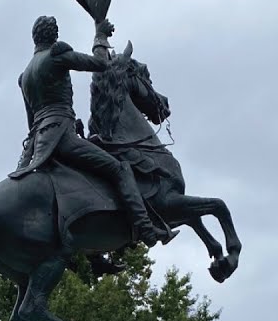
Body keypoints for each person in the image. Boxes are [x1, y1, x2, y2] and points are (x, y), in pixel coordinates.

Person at [11, 15, 175, 248]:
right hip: (63, 137)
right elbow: (100, 64)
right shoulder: (57, 55)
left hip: (39, 145)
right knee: (119, 169)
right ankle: (146, 230)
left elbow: (33, 122)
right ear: (54, 35)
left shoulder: (24, 76)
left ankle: (96, 254)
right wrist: (100, 35)